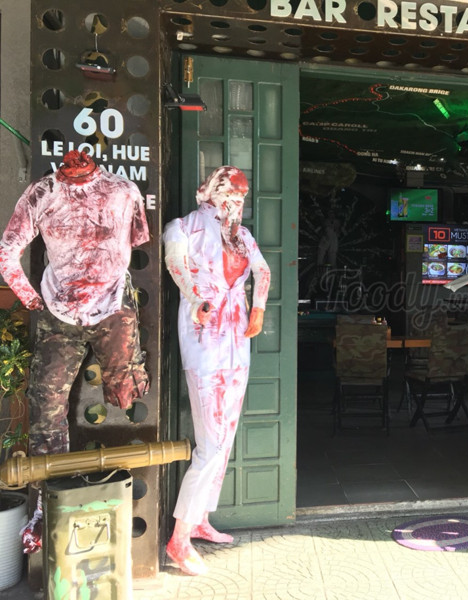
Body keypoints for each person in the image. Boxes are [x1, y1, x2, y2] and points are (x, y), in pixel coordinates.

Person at [0, 149, 150, 553]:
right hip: (58, 309)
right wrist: (30, 298)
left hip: (113, 306)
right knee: (45, 403)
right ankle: (45, 506)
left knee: (126, 395)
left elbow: (136, 239)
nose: (75, 160)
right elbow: (6, 251)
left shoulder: (125, 191)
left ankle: (113, 494)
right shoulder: (42, 192)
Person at [163, 165, 270, 576]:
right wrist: (195, 298)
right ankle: (179, 538)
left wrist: (258, 308)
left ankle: (202, 517)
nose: (234, 203)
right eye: (228, 194)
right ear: (207, 191)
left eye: (240, 197)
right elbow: (175, 265)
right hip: (204, 343)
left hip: (237, 344)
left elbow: (262, 270)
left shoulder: (241, 235)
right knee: (210, 442)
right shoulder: (183, 228)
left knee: (226, 437)